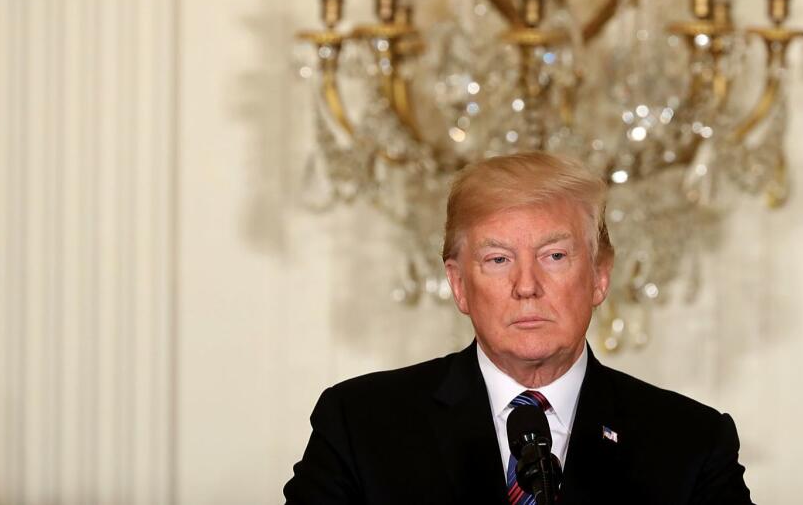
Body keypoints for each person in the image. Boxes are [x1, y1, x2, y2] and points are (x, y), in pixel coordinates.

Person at [283, 152, 755, 504]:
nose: (526, 286)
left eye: (554, 256)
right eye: (498, 259)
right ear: (459, 284)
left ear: (599, 275)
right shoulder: (360, 424)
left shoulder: (691, 442)